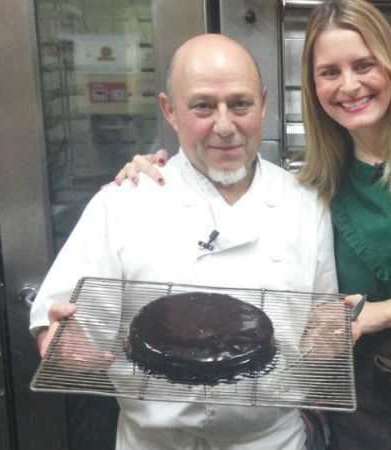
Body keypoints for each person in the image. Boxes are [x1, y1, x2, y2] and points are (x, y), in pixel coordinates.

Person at [115, 0, 391, 448]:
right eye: (330, 72)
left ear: (390, 66)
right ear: (313, 86)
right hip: (361, 392)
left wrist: (377, 314)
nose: (349, 85)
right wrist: (159, 171)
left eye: (364, 65)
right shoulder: (320, 181)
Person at [30, 33, 337, 450]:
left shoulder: (306, 205)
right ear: (169, 110)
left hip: (271, 441)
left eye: (240, 104)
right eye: (203, 106)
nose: (224, 126)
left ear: (264, 104)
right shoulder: (123, 203)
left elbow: (320, 328)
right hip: (154, 442)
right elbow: (63, 323)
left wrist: (330, 337)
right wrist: (62, 342)